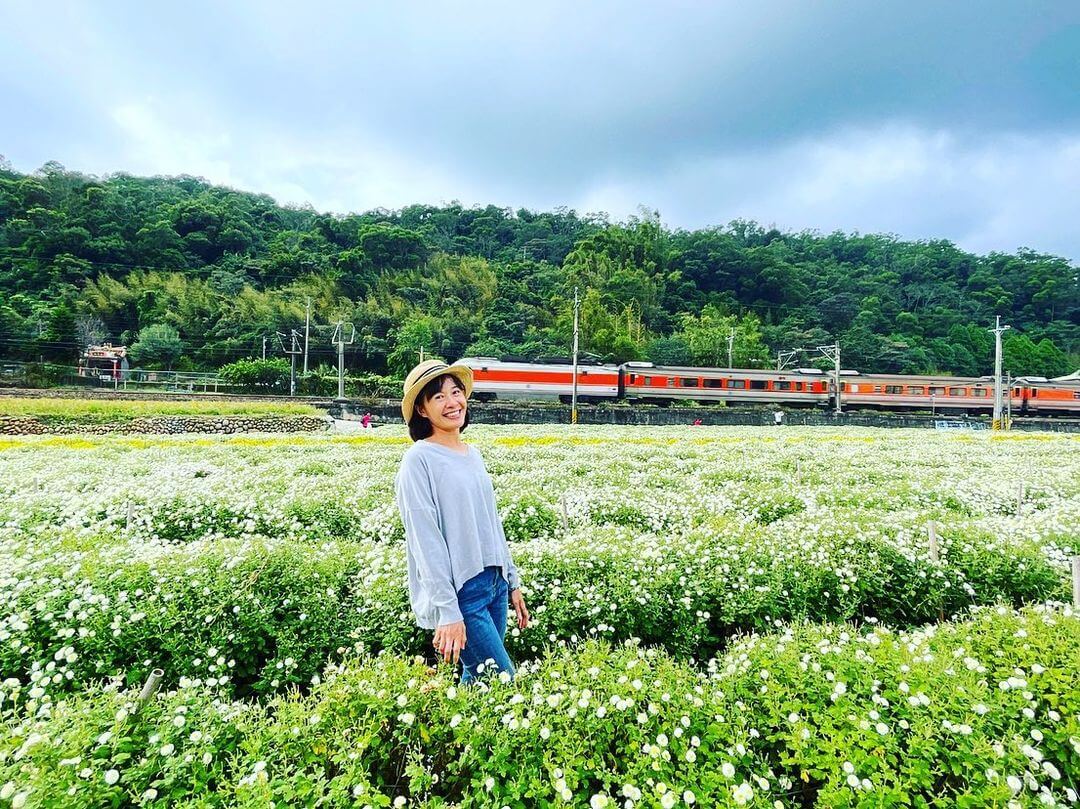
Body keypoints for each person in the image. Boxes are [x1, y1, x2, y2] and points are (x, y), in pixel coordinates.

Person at [394, 359, 529, 683]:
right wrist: (447, 610)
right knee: (502, 683)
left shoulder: (472, 453)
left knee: (479, 683)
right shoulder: (419, 460)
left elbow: (491, 522)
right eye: (438, 397)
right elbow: (425, 541)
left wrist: (511, 580)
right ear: (423, 410)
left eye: (456, 392)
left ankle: (457, 734)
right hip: (464, 592)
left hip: (495, 584)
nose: (452, 402)